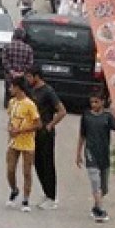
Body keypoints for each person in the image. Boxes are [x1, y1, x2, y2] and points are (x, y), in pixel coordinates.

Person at [24, 67, 67, 209]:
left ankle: (52, 197)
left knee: (47, 164)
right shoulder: (31, 91)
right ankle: (46, 192)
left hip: (45, 134)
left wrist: (50, 125)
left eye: (30, 77)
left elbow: (62, 111)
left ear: (37, 76)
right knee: (38, 164)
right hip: (33, 133)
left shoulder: (48, 91)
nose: (28, 80)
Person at [76, 89, 115, 223]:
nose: (93, 105)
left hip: (103, 155)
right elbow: (82, 136)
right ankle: (100, 210)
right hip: (90, 153)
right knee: (95, 181)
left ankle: (96, 206)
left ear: (103, 102)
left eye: (96, 102)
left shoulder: (107, 117)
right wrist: (78, 153)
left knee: (103, 188)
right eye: (92, 102)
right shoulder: (86, 116)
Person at [4, 82, 40, 213]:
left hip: (27, 142)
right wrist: (10, 128)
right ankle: (14, 189)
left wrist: (22, 130)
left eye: (12, 87)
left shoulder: (30, 104)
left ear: (18, 88)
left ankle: (26, 199)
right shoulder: (12, 102)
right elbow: (10, 119)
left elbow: (38, 124)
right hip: (13, 142)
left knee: (26, 172)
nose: (10, 89)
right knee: (10, 169)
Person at [2, 28, 34, 107]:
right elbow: (30, 64)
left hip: (10, 76)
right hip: (22, 77)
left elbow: (5, 61)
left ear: (14, 35)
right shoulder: (28, 48)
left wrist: (11, 71)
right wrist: (22, 73)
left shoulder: (7, 47)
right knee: (22, 94)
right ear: (23, 36)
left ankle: (9, 107)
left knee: (9, 93)